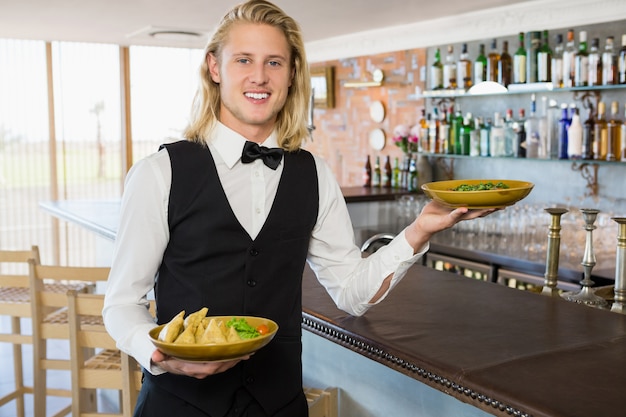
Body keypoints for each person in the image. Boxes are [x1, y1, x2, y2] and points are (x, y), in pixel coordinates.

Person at [102, 1, 496, 416]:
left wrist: (419, 230)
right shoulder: (159, 173)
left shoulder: (315, 174)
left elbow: (351, 292)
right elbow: (122, 303)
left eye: (274, 62)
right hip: (178, 405)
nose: (259, 76)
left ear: (291, 75)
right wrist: (161, 356)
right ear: (215, 69)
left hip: (279, 404)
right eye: (243, 60)